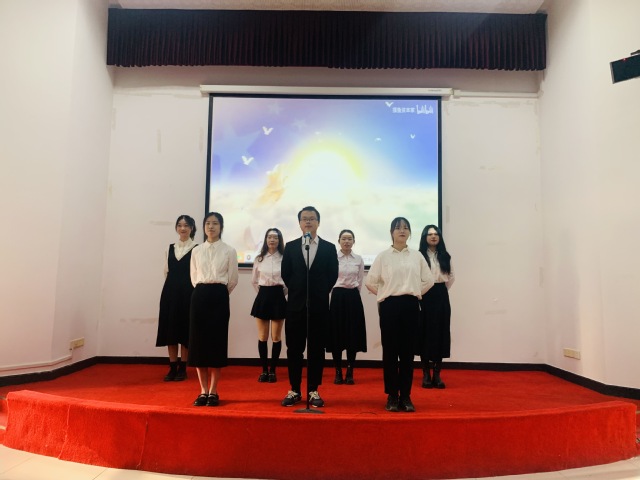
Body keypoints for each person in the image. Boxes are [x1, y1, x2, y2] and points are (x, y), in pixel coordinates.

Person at [365, 217, 433, 413]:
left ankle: (406, 396)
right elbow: (370, 281)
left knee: (407, 353)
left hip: (411, 305)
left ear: (409, 232)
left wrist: (415, 291)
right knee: (390, 352)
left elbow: (428, 281)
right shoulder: (383, 256)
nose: (402, 231)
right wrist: (384, 294)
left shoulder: (417, 256)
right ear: (391, 232)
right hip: (390, 306)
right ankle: (392, 396)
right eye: (398, 228)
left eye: (405, 228)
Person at [280, 206, 339, 408]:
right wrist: (298, 290)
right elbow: (286, 274)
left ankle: (313, 390)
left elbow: (332, 275)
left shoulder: (328, 248)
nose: (308, 222)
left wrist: (319, 291)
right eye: (304, 219)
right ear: (299, 223)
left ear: (318, 222)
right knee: (294, 350)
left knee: (316, 350)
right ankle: (295, 389)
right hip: (295, 307)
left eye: (312, 218)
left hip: (319, 307)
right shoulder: (291, 247)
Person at [188, 212, 238, 407]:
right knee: (198, 343)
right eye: (208, 223)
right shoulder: (196, 250)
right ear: (203, 227)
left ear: (221, 227)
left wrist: (219, 292)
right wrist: (204, 290)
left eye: (215, 223)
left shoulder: (229, 250)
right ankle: (202, 390)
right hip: (199, 295)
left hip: (219, 296)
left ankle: (214, 391)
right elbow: (194, 277)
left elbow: (232, 279)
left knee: (217, 342)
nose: (211, 226)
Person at [155, 215, 197, 382]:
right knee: (170, 330)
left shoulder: (197, 248)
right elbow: (166, 271)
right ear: (176, 228)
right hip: (170, 293)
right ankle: (172, 367)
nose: (183, 228)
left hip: (189, 293)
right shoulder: (169, 248)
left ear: (192, 228)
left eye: (186, 225)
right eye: (179, 225)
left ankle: (183, 368)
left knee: (185, 331)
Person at [327, 229, 366, 385]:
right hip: (337, 297)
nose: (347, 241)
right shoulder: (333, 258)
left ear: (354, 241)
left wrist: (352, 294)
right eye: (344, 238)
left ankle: (350, 371)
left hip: (353, 297)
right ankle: (338, 371)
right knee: (336, 334)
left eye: (350, 239)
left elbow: (360, 280)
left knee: (352, 335)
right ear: (339, 241)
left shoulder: (359, 259)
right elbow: (329, 279)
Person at [418, 224, 455, 389]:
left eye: (436, 234)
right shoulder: (419, 256)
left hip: (441, 295)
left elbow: (451, 277)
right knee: (424, 333)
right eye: (430, 234)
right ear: (424, 237)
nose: (433, 237)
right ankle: (426, 374)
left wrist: (440, 291)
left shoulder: (446, 256)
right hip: (424, 296)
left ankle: (437, 374)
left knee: (441, 332)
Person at [251, 228, 287, 383]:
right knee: (263, 337)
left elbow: (288, 282)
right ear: (265, 240)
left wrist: (280, 293)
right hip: (263, 297)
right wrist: (263, 294)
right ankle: (264, 370)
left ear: (279, 240)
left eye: (275, 237)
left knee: (276, 337)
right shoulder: (259, 259)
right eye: (269, 237)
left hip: (278, 297)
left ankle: (273, 370)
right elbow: (254, 281)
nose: (272, 240)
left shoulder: (285, 258)